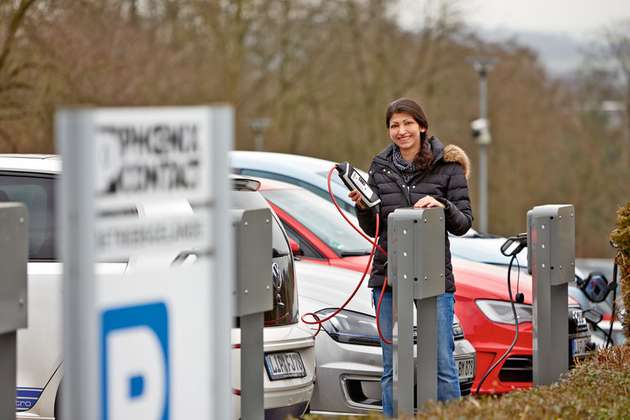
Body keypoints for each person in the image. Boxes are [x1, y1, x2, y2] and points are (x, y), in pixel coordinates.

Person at [349, 97, 473, 416]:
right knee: (392, 364)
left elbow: (464, 224)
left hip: (434, 277)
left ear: (422, 126)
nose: (401, 131)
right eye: (394, 125)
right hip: (389, 276)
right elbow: (375, 227)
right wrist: (362, 205)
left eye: (407, 123)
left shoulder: (448, 167)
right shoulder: (379, 166)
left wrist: (443, 206)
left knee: (442, 362)